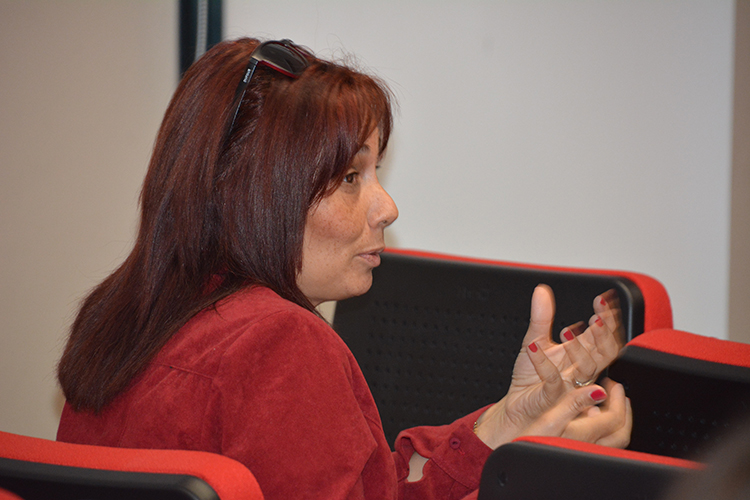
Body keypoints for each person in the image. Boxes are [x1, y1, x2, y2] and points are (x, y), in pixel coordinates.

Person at [56, 38, 631, 499]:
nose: (387, 208)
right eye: (352, 178)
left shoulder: (120, 321)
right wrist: (548, 481)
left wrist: (510, 420)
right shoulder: (279, 346)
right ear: (255, 195)